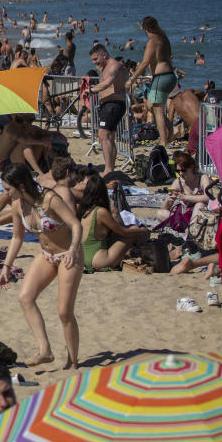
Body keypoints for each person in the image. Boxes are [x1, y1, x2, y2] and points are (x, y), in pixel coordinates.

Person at [0, 163, 84, 369]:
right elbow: (16, 237)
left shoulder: (50, 200)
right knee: (25, 298)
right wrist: (6, 266)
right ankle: (45, 350)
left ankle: (73, 361)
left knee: (64, 312)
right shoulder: (17, 205)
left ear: (21, 186)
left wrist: (74, 249)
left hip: (68, 254)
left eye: (7, 189)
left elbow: (75, 224)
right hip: (46, 254)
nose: (5, 193)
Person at [76, 175, 150, 272]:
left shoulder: (83, 208)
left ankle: (140, 253)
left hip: (83, 258)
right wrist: (140, 230)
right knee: (134, 233)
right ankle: (149, 257)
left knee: (130, 232)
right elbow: (124, 232)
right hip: (98, 260)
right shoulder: (100, 212)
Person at [129, 15, 175, 149]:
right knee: (149, 105)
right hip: (170, 76)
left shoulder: (152, 40)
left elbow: (144, 63)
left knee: (157, 109)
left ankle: (163, 142)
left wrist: (131, 80)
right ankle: (170, 126)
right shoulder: (164, 38)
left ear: (143, 27)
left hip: (161, 77)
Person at [88, 43, 128, 176]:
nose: (95, 62)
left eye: (96, 59)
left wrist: (91, 90)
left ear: (104, 55)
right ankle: (111, 168)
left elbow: (108, 83)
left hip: (114, 104)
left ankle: (108, 169)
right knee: (109, 137)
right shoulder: (104, 66)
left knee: (103, 135)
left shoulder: (114, 65)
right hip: (107, 105)